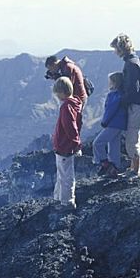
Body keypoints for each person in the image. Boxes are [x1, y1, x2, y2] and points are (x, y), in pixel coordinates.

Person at [110, 33, 140, 182]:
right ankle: (134, 168)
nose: (115, 52)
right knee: (134, 135)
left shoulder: (131, 64)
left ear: (121, 48)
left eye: (115, 48)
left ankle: (136, 171)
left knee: (132, 137)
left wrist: (122, 102)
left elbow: (132, 89)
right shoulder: (135, 60)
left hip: (137, 105)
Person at [52, 76, 83, 208]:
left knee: (66, 176)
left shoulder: (66, 107)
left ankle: (67, 202)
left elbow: (70, 127)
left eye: (57, 93)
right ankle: (59, 198)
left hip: (64, 147)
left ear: (62, 92)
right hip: (64, 147)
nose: (57, 96)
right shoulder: (73, 103)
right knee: (62, 174)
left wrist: (76, 144)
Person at [92, 72, 127, 178]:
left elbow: (110, 110)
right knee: (113, 145)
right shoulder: (122, 94)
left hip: (113, 123)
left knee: (97, 143)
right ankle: (114, 168)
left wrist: (104, 121)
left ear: (114, 83)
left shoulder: (113, 95)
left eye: (110, 81)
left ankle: (104, 163)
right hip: (120, 124)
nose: (108, 83)